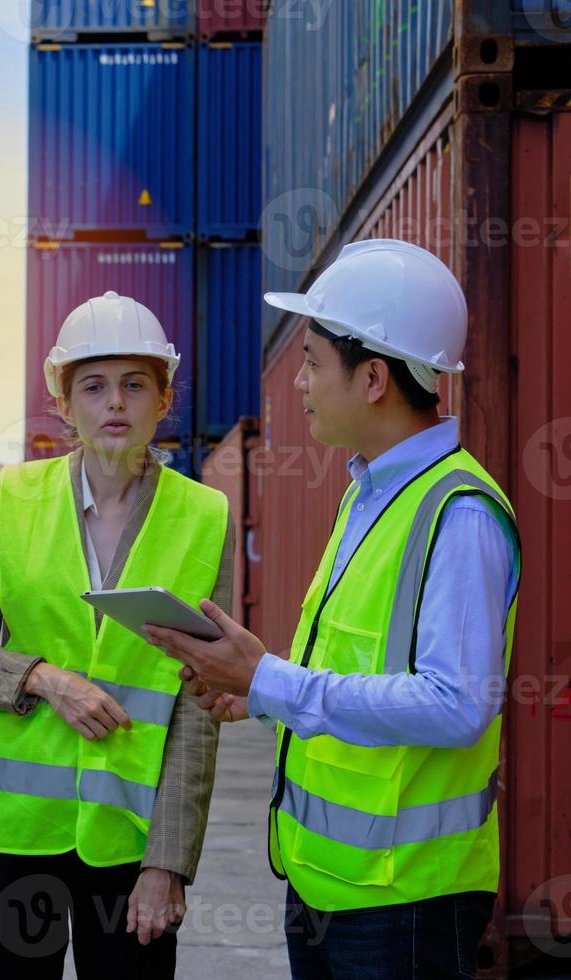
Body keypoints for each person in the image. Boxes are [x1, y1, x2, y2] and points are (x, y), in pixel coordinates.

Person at [149, 240, 520, 980]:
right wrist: (254, 691)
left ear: (374, 376)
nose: (300, 384)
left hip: (406, 902)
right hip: (325, 883)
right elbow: (353, 671)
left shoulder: (460, 514)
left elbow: (455, 706)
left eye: (314, 361)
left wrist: (271, 681)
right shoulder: (367, 491)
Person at [0, 291, 233, 977]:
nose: (115, 404)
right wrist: (42, 678)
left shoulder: (204, 515)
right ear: (64, 405)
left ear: (163, 398)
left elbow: (198, 706)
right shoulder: (9, 497)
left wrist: (169, 861)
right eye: (93, 387)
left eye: (135, 384)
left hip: (128, 844)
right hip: (8, 837)